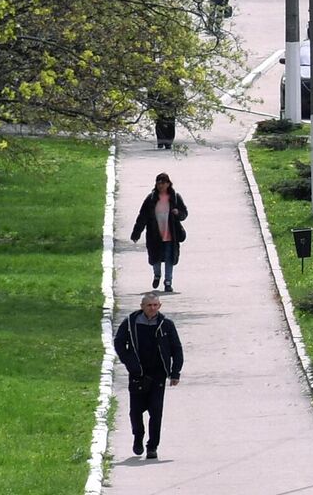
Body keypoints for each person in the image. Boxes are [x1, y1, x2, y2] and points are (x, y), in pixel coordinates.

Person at [114, 291, 183, 459]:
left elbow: (176, 349)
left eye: (155, 305)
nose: (152, 308)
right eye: (149, 305)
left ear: (159, 306)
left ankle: (152, 446)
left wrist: (175, 373)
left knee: (156, 411)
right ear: (142, 306)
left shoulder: (166, 324)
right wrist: (131, 364)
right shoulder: (131, 323)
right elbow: (119, 343)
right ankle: (138, 436)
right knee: (135, 411)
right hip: (138, 374)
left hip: (158, 375)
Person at [130, 173, 189, 292]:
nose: (160, 185)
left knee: (169, 258)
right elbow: (142, 217)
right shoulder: (151, 199)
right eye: (158, 183)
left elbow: (184, 214)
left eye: (163, 183)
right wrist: (136, 233)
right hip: (154, 235)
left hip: (170, 234)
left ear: (168, 184)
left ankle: (168, 282)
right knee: (155, 258)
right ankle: (157, 274)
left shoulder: (175, 198)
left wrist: (178, 213)